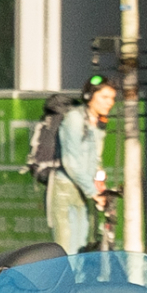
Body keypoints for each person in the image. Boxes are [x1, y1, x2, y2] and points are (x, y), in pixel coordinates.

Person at [29, 76, 115, 254]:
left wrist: (99, 182)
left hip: (81, 191)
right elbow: (71, 162)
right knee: (65, 251)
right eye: (104, 97)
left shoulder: (94, 123)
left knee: (80, 249)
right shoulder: (74, 120)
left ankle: (76, 281)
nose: (110, 103)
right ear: (89, 96)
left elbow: (94, 159)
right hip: (64, 191)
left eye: (112, 98)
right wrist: (93, 192)